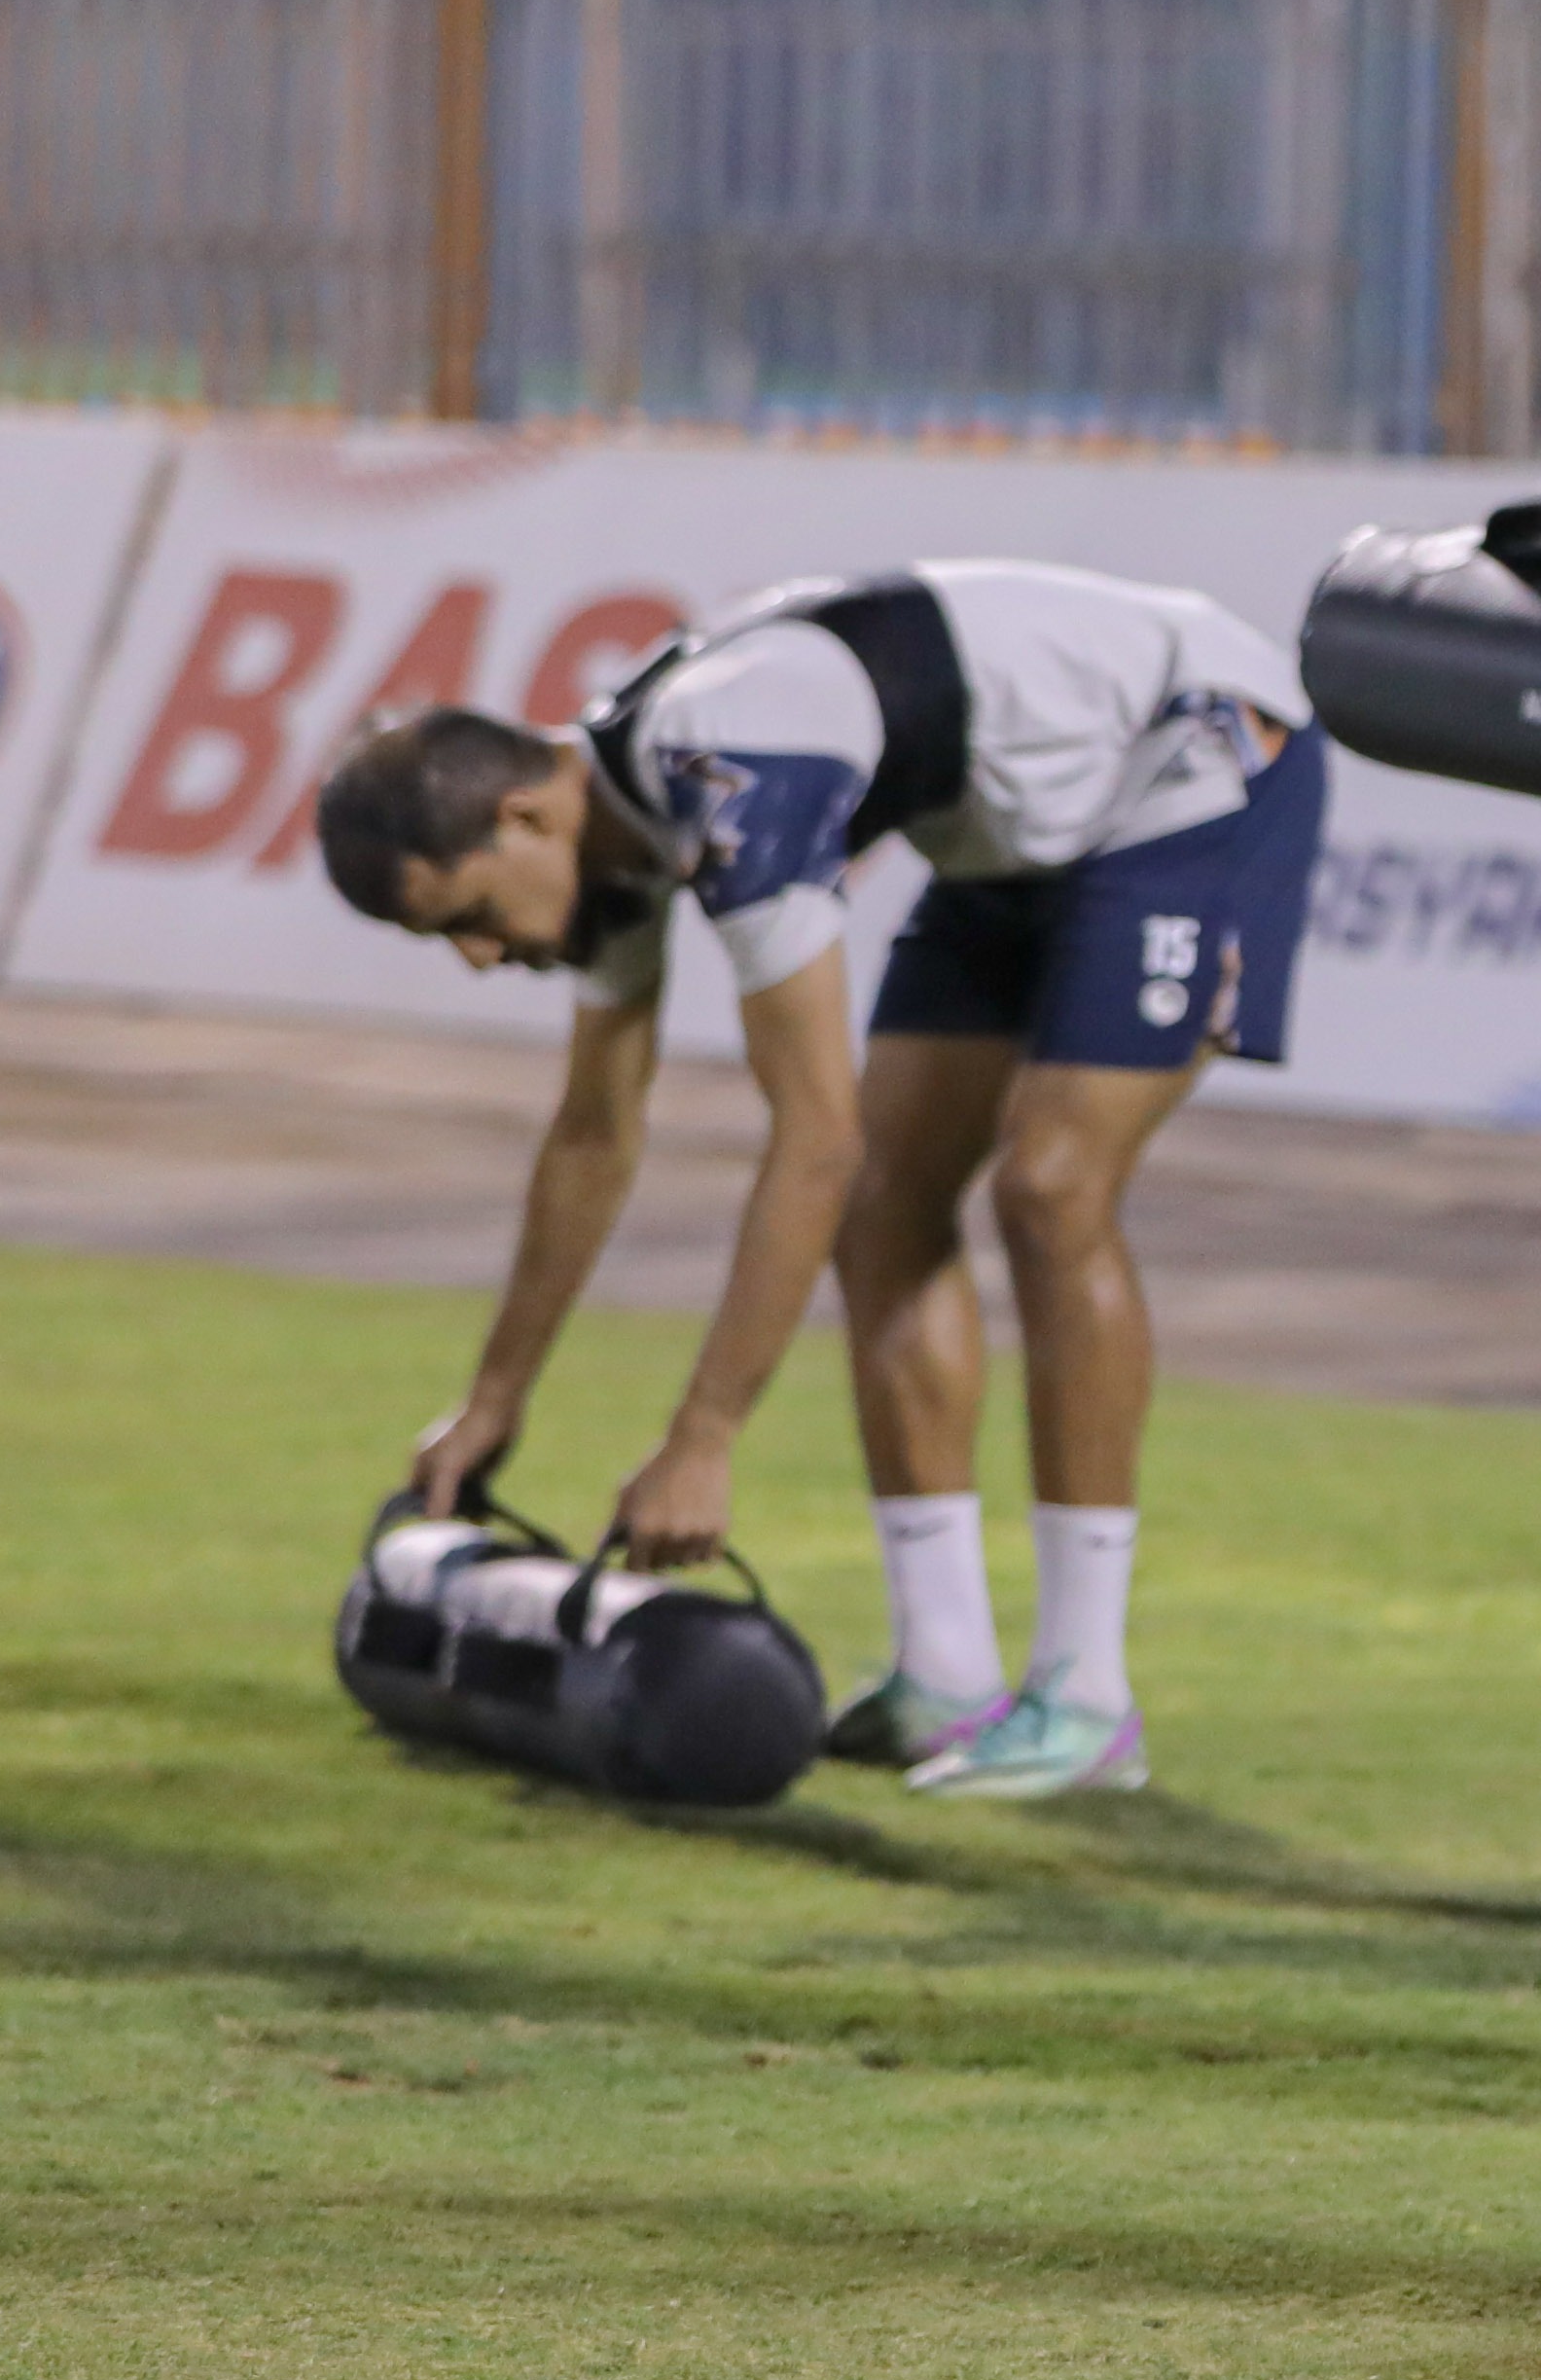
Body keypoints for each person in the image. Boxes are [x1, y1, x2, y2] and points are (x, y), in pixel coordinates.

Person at [313, 559, 1325, 1800]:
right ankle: (947, 1672)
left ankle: (1086, 1694)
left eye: (466, 916)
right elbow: (593, 1137)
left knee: (1049, 1188)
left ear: (527, 817)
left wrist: (704, 1440)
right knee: (891, 1198)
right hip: (1014, 828)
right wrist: (493, 1399)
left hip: (1200, 754)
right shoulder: (616, 829)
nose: (478, 958)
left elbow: (811, 1134)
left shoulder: (729, 773)